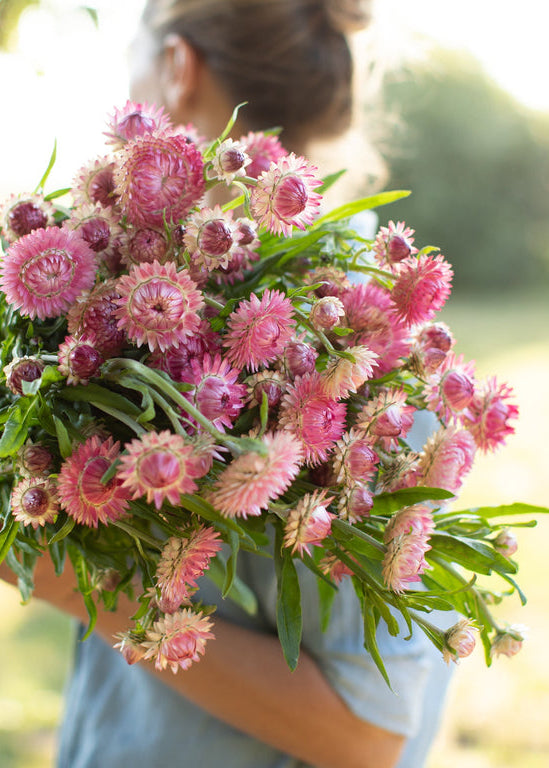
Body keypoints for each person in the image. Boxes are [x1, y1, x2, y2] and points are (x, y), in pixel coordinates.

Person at [1, 2, 455, 766]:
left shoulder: (359, 353)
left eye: (132, 69)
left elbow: (368, 735)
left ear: (176, 70)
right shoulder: (121, 302)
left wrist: (74, 587)